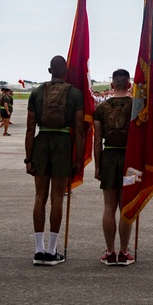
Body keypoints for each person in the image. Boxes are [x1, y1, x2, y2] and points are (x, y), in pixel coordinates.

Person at [26, 55, 84, 266]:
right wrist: (78, 158)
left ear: (49, 71)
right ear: (66, 71)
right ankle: (52, 250)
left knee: (40, 196)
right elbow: (79, 128)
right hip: (62, 145)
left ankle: (38, 249)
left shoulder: (37, 92)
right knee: (57, 197)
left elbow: (30, 127)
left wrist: (28, 158)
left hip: (41, 144)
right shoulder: (75, 93)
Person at [92, 69, 135, 265]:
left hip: (108, 157)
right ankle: (124, 252)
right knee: (127, 207)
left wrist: (97, 165)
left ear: (112, 86)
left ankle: (110, 252)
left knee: (109, 207)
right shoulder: (136, 106)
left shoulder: (101, 108)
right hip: (130, 161)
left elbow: (97, 139)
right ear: (128, 85)